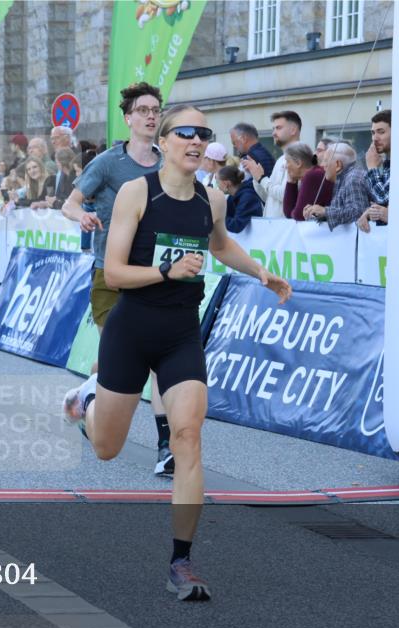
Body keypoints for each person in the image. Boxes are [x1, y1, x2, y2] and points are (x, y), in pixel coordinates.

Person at [63, 105, 291, 601]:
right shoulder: (135, 192)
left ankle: (182, 561)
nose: (194, 140)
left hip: (181, 333)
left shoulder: (211, 200)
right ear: (163, 141)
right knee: (106, 448)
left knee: (187, 436)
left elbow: (222, 246)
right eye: (184, 132)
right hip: (132, 328)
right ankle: (89, 406)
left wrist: (259, 272)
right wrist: (167, 272)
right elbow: (116, 272)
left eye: (202, 134)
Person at [61, 81, 176, 475]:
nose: (149, 115)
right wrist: (84, 216)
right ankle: (89, 397)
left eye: (154, 110)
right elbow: (70, 204)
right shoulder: (109, 163)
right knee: (125, 360)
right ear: (128, 119)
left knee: (156, 359)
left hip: (154, 277)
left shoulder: (170, 163)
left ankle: (166, 448)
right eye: (142, 110)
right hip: (110, 275)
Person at [245, 111, 302, 217]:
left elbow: (285, 195)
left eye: (278, 128)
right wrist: (256, 177)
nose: (273, 133)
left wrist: (262, 179)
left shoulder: (300, 157)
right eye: (273, 129)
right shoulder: (281, 159)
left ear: (293, 130)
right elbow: (268, 198)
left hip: (286, 228)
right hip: (274, 227)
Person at [302, 141, 369, 230]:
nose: (322, 165)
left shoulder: (353, 177)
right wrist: (317, 214)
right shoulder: (341, 179)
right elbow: (341, 213)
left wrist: (325, 211)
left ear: (338, 165)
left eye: (325, 161)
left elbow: (358, 213)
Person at [282, 142, 333, 221]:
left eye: (287, 161)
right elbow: (289, 213)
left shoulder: (313, 175)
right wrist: (291, 182)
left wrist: (295, 212)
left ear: (298, 163)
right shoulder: (311, 174)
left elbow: (299, 216)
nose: (285, 166)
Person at [359, 109, 391, 233]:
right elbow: (382, 204)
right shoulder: (387, 163)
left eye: (381, 132)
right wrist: (369, 212)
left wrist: (372, 168)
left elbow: (383, 199)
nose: (374, 138)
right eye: (373, 133)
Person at [217, 165, 262, 233]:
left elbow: (236, 226)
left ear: (226, 183)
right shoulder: (232, 196)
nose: (217, 185)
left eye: (218, 182)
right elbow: (226, 215)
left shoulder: (248, 197)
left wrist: (217, 218)